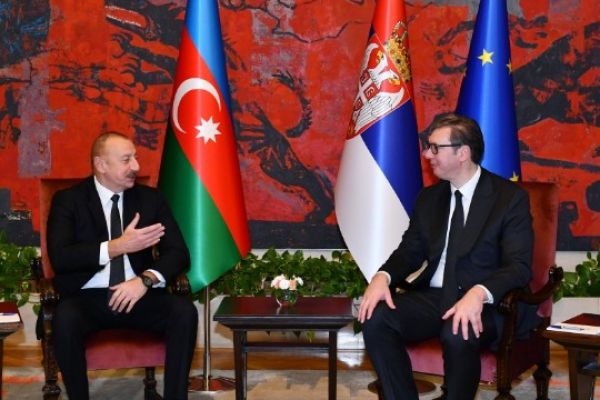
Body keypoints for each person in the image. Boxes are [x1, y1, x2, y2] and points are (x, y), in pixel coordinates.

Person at [358, 113, 537, 400]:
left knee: (458, 331)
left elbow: (519, 266)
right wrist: (383, 276)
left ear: (462, 153)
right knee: (377, 319)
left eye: (435, 148)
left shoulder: (508, 198)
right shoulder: (429, 198)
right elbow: (409, 251)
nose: (427, 154)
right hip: (437, 296)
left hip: (488, 302)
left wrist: (478, 293)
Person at [47, 132, 198, 400]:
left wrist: (145, 280)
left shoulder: (151, 199)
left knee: (184, 312)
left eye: (135, 158)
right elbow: (61, 257)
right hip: (88, 298)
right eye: (127, 160)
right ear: (101, 164)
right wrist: (117, 246)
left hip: (138, 294)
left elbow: (178, 253)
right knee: (64, 318)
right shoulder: (68, 200)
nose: (136, 166)